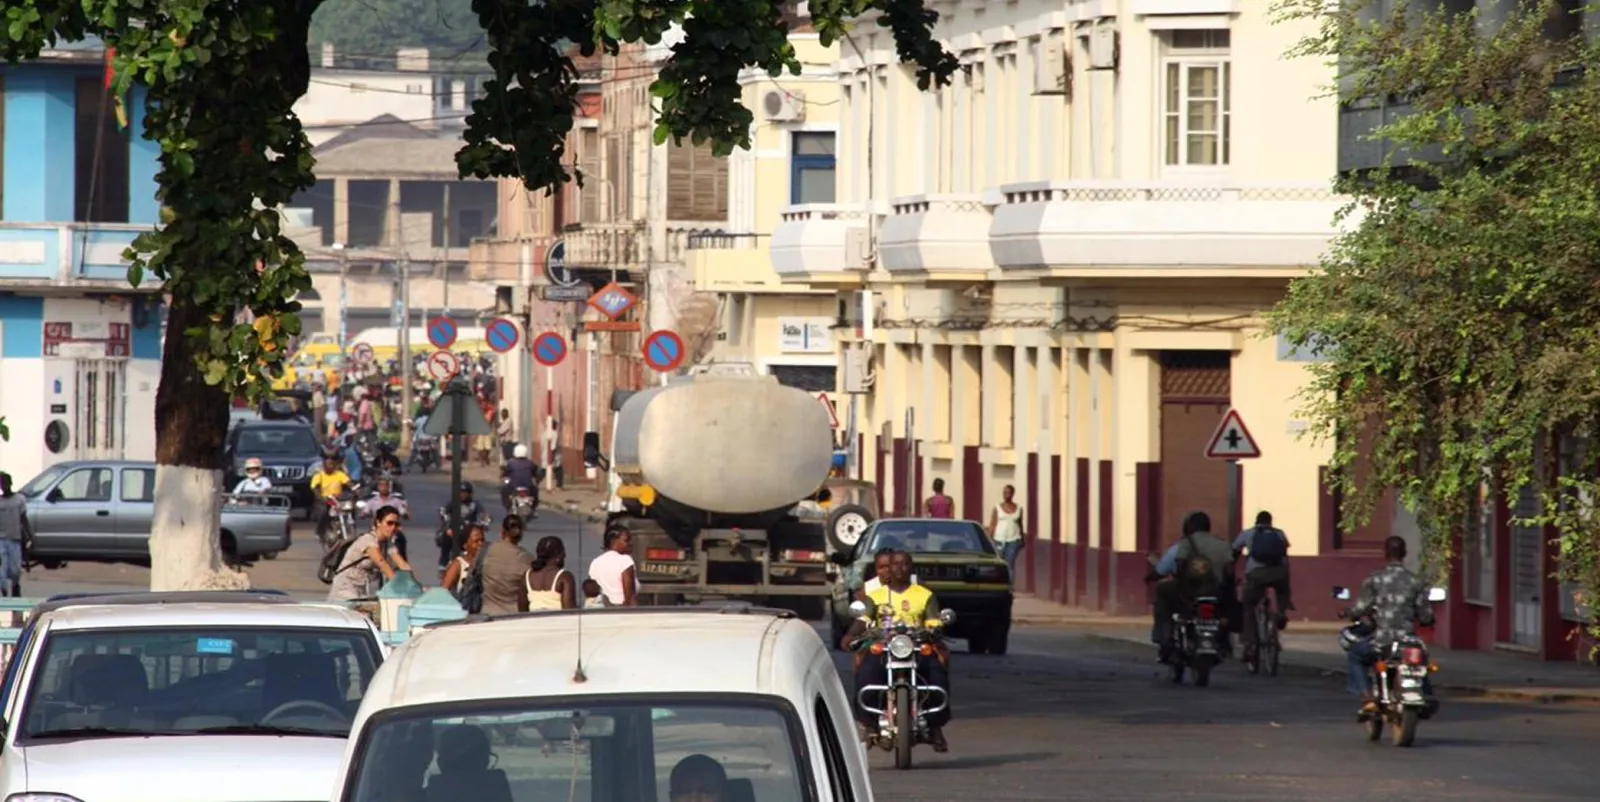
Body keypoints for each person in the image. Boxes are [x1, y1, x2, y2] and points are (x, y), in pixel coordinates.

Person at [839, 548, 951, 751]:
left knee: (937, 677)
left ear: (911, 568)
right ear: (888, 568)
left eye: (905, 563)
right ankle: (869, 725)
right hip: (884, 649)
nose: (900, 568)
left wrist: (933, 630)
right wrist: (850, 635)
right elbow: (863, 620)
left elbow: (934, 620)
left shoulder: (925, 595)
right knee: (866, 675)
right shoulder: (876, 596)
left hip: (917, 647)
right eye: (895, 564)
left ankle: (935, 727)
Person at [1342, 536, 1436, 714]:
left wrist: (1350, 613)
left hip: (1381, 641)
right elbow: (1426, 615)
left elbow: (1361, 608)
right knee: (1421, 659)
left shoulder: (1375, 579)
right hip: (1408, 642)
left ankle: (1367, 698)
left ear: (1385, 553)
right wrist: (1427, 620)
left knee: (1355, 655)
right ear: (1404, 554)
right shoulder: (1416, 581)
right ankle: (1426, 693)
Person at [1151, 510, 1236, 662]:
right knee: (1228, 608)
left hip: (1189, 592)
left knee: (1162, 590)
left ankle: (1164, 636)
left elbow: (1179, 566)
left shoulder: (1186, 543)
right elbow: (1230, 572)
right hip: (1216, 592)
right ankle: (1224, 642)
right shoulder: (1222, 544)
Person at [1233, 510, 1294, 658]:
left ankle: (1249, 643)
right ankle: (1280, 612)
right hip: (1278, 573)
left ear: (1256, 521)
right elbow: (1284, 556)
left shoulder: (1249, 533)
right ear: (1270, 521)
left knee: (1248, 606)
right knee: (1283, 591)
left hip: (1256, 574)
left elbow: (1235, 551)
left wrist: (1232, 571)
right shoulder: (1279, 533)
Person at [327, 506, 412, 602]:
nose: (393, 528)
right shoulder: (368, 541)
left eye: (396, 524)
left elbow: (403, 565)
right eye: (389, 523)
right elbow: (383, 565)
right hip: (344, 591)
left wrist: (415, 585)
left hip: (360, 591)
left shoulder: (388, 544)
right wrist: (402, 587)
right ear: (378, 522)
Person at [478, 515, 534, 616]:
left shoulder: (486, 550)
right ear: (521, 534)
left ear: (502, 530)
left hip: (487, 613)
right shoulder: (527, 558)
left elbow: (471, 576)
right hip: (514, 616)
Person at [525, 535, 579, 610]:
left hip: (532, 621)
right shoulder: (565, 577)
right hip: (558, 621)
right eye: (563, 553)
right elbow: (569, 610)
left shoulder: (527, 575)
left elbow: (522, 611)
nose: (565, 555)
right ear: (558, 557)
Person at [588, 526, 638, 607]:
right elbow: (630, 597)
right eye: (627, 540)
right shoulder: (625, 561)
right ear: (614, 541)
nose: (631, 543)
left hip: (599, 610)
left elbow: (591, 591)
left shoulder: (595, 563)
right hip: (620, 611)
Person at [310, 453, 353, 543]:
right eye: (328, 464)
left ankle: (349, 526)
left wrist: (355, 489)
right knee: (324, 513)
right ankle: (320, 532)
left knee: (351, 508)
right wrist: (321, 497)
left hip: (338, 500)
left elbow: (348, 483)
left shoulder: (339, 474)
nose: (330, 466)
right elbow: (315, 488)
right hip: (326, 501)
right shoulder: (319, 475)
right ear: (324, 466)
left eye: (332, 464)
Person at [0, 472, 31, 597]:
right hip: (1, 540)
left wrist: (30, 535)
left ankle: (15, 589)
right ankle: (5, 594)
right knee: (2, 570)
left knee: (15, 570)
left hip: (15, 539)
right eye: (2, 484)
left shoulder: (19, 500)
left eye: (6, 484)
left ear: (11, 484)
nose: (5, 487)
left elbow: (24, 519)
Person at [987, 484, 1025, 579]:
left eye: (1008, 493)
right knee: (998, 563)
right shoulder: (997, 508)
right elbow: (992, 523)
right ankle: (998, 583)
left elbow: (1020, 524)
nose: (1006, 495)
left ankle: (1009, 586)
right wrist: (989, 539)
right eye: (1004, 493)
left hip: (1013, 540)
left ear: (1012, 494)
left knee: (1009, 563)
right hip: (999, 540)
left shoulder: (1019, 508)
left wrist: (1022, 538)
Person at [440, 523, 487, 594]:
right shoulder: (458, 564)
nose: (480, 544)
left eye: (482, 540)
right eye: (476, 541)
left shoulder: (489, 562)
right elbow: (443, 591)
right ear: (465, 545)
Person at [501, 444, 540, 516]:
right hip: (528, 486)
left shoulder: (511, 463)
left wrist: (503, 476)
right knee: (535, 492)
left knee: (504, 490)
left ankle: (508, 507)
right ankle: (533, 509)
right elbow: (535, 472)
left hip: (514, 486)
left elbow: (505, 473)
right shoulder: (530, 463)